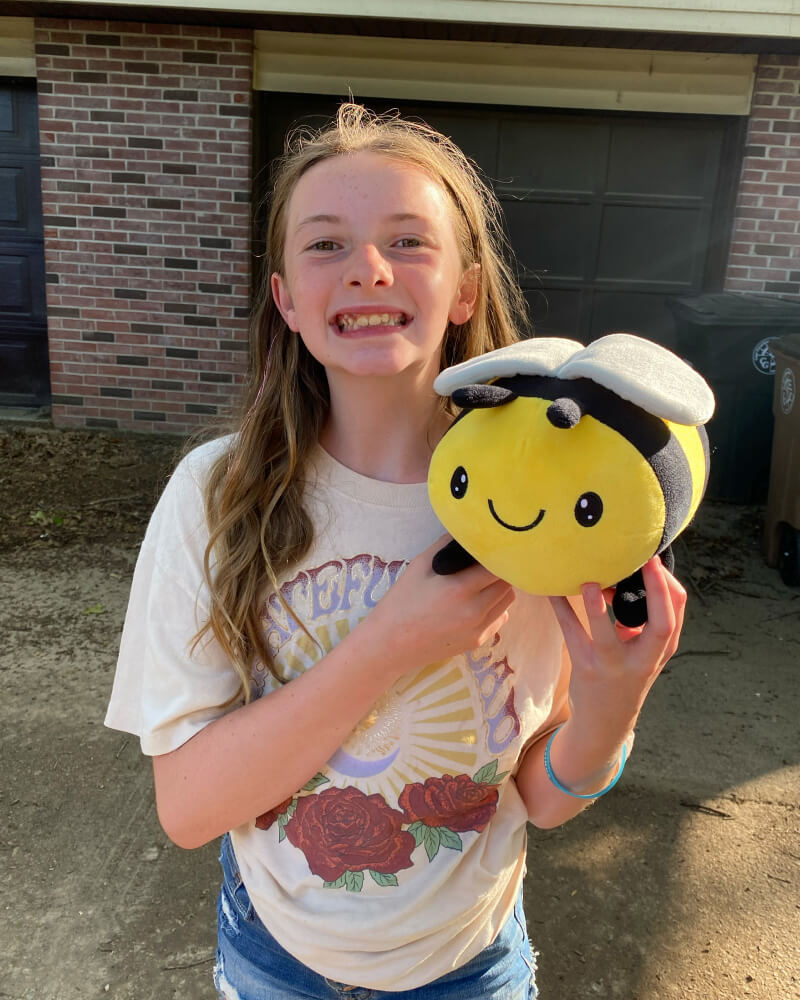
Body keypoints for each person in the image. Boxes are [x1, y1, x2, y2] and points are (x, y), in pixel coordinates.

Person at [105, 103, 686, 999]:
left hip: (472, 966)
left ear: (464, 288)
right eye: (326, 244)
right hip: (275, 962)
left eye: (409, 241)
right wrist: (394, 641)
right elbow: (188, 810)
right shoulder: (215, 496)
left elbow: (538, 797)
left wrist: (612, 703)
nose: (369, 269)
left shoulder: (550, 507)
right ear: (286, 299)